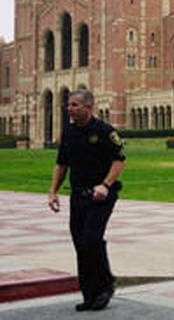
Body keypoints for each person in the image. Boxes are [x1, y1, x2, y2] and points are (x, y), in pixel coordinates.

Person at [48, 89, 126, 312]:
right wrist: (53, 191)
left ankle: (105, 285)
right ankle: (90, 294)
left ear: (88, 107)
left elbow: (119, 160)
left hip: (101, 195)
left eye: (74, 105)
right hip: (79, 195)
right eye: (68, 105)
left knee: (91, 240)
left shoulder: (104, 131)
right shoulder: (69, 132)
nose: (69, 108)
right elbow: (61, 164)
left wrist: (105, 185)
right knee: (81, 244)